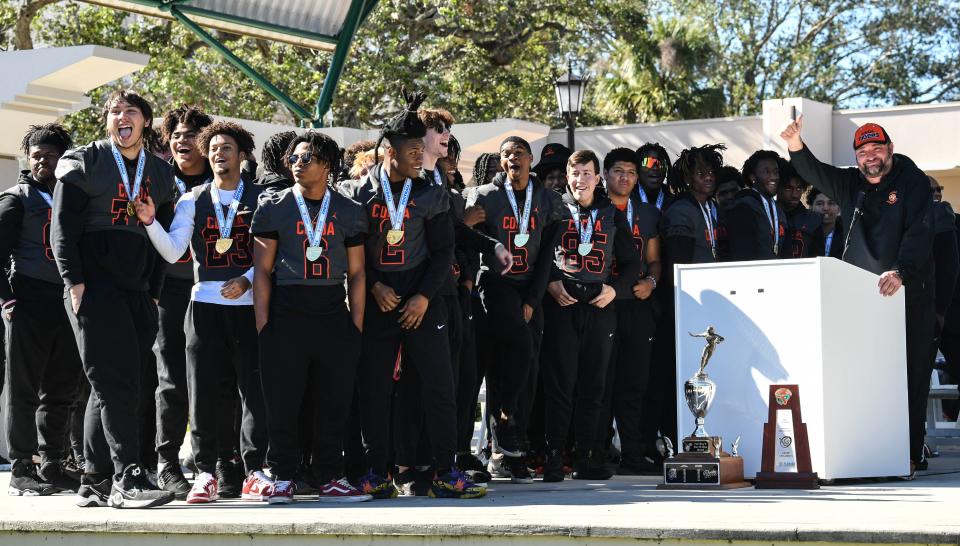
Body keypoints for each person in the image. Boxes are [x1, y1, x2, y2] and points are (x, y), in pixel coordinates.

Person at [341, 88, 485, 499]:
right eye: (412, 151)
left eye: (422, 150)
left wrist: (423, 296)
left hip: (426, 300)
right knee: (375, 388)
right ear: (390, 151)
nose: (421, 157)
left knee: (440, 385)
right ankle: (378, 472)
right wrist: (375, 285)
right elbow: (350, 251)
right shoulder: (357, 195)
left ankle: (445, 471)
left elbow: (443, 253)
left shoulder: (431, 194)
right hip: (378, 299)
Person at [782, 117, 935, 475]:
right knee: (861, 375)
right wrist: (794, 144)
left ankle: (908, 453)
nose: (870, 157)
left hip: (906, 294)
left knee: (909, 378)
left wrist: (901, 271)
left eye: (877, 149)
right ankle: (863, 451)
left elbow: (920, 233)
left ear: (890, 150)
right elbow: (815, 171)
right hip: (860, 298)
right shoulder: (851, 184)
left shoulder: (912, 183)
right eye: (863, 151)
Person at [52, 89, 176, 508]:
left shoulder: (160, 174)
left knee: (115, 386)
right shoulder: (85, 159)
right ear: (107, 120)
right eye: (114, 111)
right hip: (94, 285)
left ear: (145, 121)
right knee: (112, 382)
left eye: (131, 111)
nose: (122, 117)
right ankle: (128, 477)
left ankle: (95, 480)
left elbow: (165, 236)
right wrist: (74, 282)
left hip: (139, 289)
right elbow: (63, 227)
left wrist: (155, 293)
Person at [134, 121, 269, 503]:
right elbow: (175, 250)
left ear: (242, 154)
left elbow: (273, 253)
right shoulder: (192, 200)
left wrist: (246, 277)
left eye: (226, 147)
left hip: (246, 306)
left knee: (251, 389)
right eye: (212, 148)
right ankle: (206, 470)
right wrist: (148, 222)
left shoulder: (261, 198)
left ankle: (253, 468)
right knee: (204, 390)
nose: (218, 153)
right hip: (203, 305)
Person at [250, 131, 372, 503]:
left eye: (307, 158)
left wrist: (356, 326)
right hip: (287, 309)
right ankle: (283, 476)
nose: (298, 164)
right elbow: (262, 271)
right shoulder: (273, 205)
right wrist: (264, 325)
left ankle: (330, 475)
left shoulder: (349, 210)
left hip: (333, 310)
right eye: (294, 158)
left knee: (333, 401)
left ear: (328, 166)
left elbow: (357, 273)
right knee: (283, 401)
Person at [540, 150, 642, 482]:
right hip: (562, 306)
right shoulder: (553, 208)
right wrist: (551, 284)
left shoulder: (610, 213)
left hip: (600, 308)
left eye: (587, 173)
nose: (580, 180)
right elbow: (537, 255)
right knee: (560, 384)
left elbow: (632, 263)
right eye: (575, 173)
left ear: (598, 178)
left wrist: (615, 290)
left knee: (594, 386)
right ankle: (554, 457)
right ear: (567, 177)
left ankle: (588, 456)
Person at [466, 136, 563, 483]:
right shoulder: (484, 196)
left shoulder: (549, 199)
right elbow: (469, 244)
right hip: (495, 285)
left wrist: (531, 301)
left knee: (528, 367)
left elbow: (547, 256)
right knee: (509, 355)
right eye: (506, 154)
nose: (512, 159)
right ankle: (502, 429)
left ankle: (513, 450)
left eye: (518, 153)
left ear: (530, 159)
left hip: (530, 287)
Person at [0, 123, 83, 495]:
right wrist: (8, 299)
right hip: (29, 298)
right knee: (23, 388)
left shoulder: (75, 196)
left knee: (62, 387)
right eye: (36, 156)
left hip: (66, 301)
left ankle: (53, 462)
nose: (42, 162)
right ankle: (21, 466)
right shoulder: (16, 198)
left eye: (49, 155)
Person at [644, 144, 724, 463]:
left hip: (711, 303)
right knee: (676, 376)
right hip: (685, 305)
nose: (707, 177)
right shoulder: (681, 209)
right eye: (699, 171)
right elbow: (677, 266)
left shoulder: (712, 206)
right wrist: (679, 305)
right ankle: (672, 437)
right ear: (687, 176)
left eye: (711, 171)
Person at [153, 105, 214, 500]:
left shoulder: (225, 181)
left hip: (215, 294)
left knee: (213, 381)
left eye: (191, 134)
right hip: (168, 293)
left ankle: (215, 464)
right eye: (175, 134)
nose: (181, 140)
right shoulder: (158, 180)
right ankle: (167, 463)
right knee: (171, 380)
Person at [596, 148, 661, 475]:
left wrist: (651, 280)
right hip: (603, 303)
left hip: (637, 304)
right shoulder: (594, 207)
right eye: (618, 171)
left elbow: (654, 260)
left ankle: (633, 454)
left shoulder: (647, 213)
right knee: (601, 382)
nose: (625, 177)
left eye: (631, 172)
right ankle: (599, 451)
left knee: (634, 382)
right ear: (605, 174)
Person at [725, 150, 787, 261]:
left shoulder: (778, 209)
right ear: (753, 177)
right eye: (766, 172)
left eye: (776, 171)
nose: (774, 177)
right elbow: (742, 255)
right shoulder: (743, 207)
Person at [778, 160, 823, 258]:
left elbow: (819, 257)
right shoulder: (767, 215)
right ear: (778, 187)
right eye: (788, 188)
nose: (795, 194)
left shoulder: (814, 219)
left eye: (799, 188)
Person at [635, 142, 673, 211]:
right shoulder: (624, 199)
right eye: (648, 162)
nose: (655, 168)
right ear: (637, 168)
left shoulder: (675, 202)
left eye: (660, 163)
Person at [807, 188, 842, 258]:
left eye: (831, 203)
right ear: (811, 207)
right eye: (819, 204)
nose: (825, 208)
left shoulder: (848, 236)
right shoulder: (804, 234)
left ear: (839, 208)